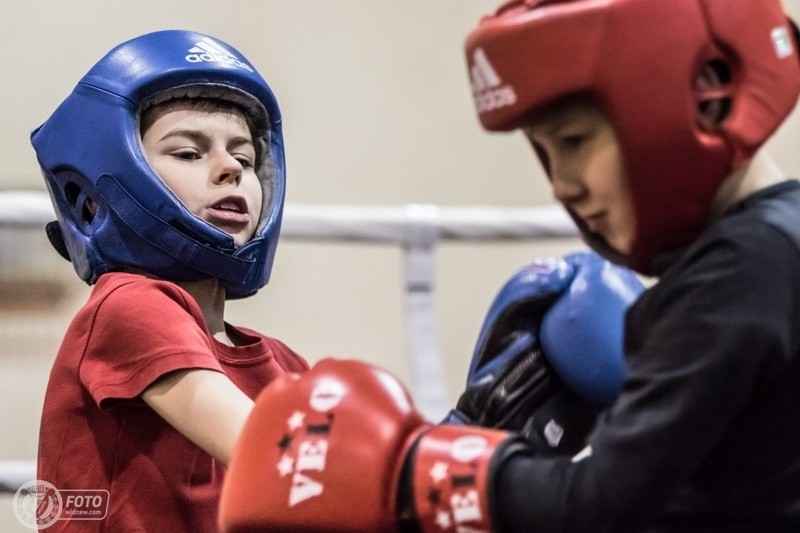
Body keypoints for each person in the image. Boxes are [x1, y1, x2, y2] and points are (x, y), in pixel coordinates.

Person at [218, 0, 800, 532]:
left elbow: (601, 505)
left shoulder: (739, 270)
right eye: (544, 152)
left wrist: (408, 470)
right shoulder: (772, 241)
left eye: (573, 141)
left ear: (707, 91)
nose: (562, 184)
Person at [32, 30, 308, 532]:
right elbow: (276, 456)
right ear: (96, 195)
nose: (229, 169)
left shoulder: (283, 364)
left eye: (244, 159)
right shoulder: (127, 306)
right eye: (188, 153)